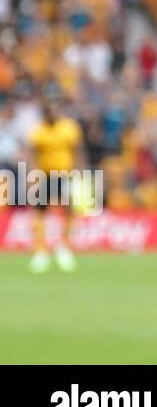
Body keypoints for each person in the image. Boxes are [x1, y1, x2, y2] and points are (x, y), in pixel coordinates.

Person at [26, 97, 84, 274]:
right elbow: (32, 155)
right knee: (39, 211)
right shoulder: (38, 131)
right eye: (48, 110)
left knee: (69, 210)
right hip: (44, 175)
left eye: (54, 109)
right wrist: (31, 175)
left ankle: (63, 246)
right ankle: (41, 250)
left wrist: (80, 172)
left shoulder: (69, 128)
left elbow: (78, 151)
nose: (52, 113)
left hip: (65, 175)